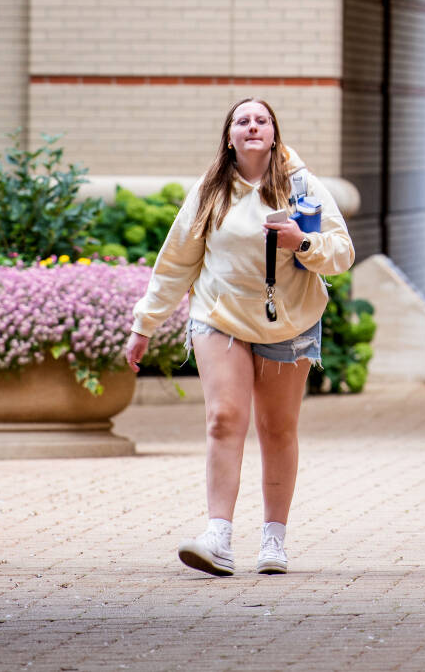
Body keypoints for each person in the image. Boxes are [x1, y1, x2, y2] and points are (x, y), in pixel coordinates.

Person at [123, 97, 353, 577]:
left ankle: (274, 539)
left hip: (288, 321)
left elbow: (342, 254)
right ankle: (218, 536)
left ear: (274, 133)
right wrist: (144, 324)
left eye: (261, 120)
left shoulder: (302, 185)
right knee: (224, 418)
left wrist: (301, 242)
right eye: (242, 120)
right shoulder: (210, 191)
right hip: (219, 314)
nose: (252, 126)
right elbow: (176, 263)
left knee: (277, 428)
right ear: (229, 136)